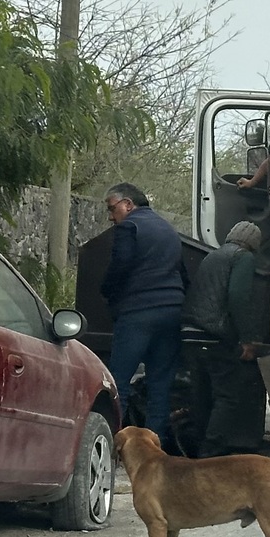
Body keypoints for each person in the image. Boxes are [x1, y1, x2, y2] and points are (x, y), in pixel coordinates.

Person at [100, 182, 190, 453]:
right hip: (173, 310)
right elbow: (184, 275)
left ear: (128, 204)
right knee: (160, 384)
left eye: (112, 208)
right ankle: (153, 451)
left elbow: (121, 266)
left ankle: (112, 448)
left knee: (118, 382)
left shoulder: (129, 227)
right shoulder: (169, 230)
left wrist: (107, 292)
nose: (111, 216)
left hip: (139, 312)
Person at [181, 220, 270, 456]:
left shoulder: (213, 256)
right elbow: (238, 297)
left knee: (202, 394)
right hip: (214, 336)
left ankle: (197, 447)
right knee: (228, 395)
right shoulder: (243, 258)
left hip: (190, 333)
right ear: (253, 243)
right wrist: (247, 338)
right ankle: (211, 451)